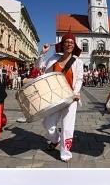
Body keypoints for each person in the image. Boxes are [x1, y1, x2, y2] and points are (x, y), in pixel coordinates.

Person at [36, 33, 84, 162]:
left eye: (71, 42)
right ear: (62, 44)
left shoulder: (78, 62)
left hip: (71, 98)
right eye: (66, 42)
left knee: (67, 127)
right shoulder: (54, 58)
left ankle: (66, 153)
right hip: (55, 97)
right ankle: (55, 139)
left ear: (74, 46)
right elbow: (38, 68)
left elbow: (79, 79)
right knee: (48, 124)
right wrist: (42, 53)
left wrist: (76, 92)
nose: (69, 44)